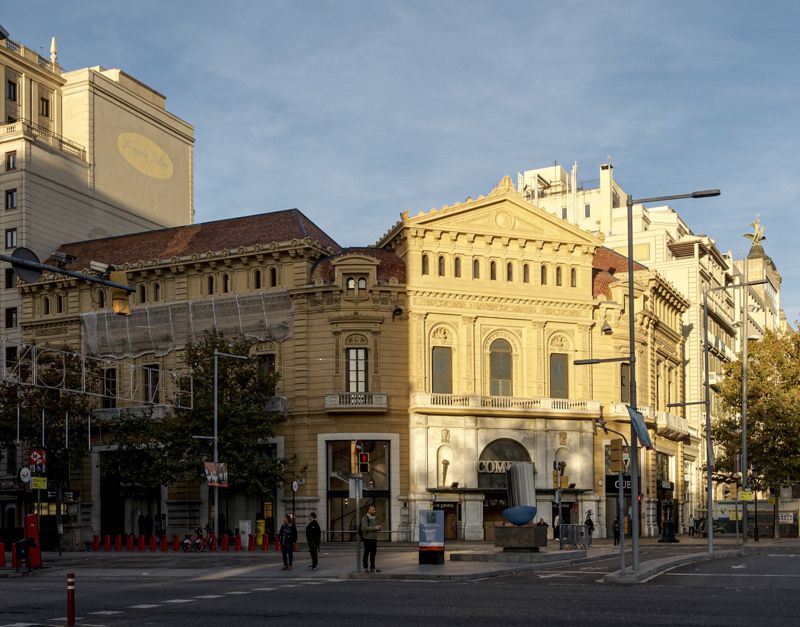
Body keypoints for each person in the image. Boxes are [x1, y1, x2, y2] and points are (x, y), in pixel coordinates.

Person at [360, 504, 382, 572]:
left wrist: (379, 528)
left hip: (374, 538)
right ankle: (365, 568)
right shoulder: (365, 518)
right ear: (369, 510)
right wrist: (375, 528)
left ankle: (372, 568)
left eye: (375, 510)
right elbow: (363, 528)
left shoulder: (375, 518)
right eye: (373, 510)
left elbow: (377, 526)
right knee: (366, 553)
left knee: (373, 553)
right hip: (367, 538)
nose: (374, 511)